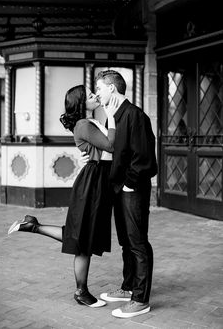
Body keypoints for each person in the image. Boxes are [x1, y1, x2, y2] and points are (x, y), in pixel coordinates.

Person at [8, 84, 118, 309]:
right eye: (89, 95)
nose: (94, 95)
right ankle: (81, 291)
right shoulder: (83, 124)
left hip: (98, 179)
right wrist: (112, 115)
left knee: (81, 235)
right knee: (83, 240)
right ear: (81, 104)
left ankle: (33, 226)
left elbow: (102, 148)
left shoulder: (90, 122)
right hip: (93, 183)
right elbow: (110, 145)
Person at [84, 70, 157, 318]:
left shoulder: (136, 115)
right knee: (126, 242)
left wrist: (128, 184)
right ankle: (128, 288)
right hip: (120, 188)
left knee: (137, 243)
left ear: (112, 89)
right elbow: (113, 150)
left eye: (100, 88)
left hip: (132, 189)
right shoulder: (113, 116)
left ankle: (140, 299)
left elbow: (145, 158)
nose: (97, 93)